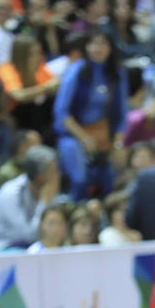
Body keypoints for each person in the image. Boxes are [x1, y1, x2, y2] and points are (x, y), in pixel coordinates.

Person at [53, 28, 127, 202]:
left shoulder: (117, 74)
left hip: (103, 137)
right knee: (80, 179)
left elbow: (122, 115)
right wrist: (84, 138)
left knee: (113, 181)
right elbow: (61, 112)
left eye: (103, 43)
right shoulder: (76, 70)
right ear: (86, 47)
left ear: (110, 48)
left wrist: (117, 143)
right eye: (93, 43)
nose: (98, 48)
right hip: (73, 135)